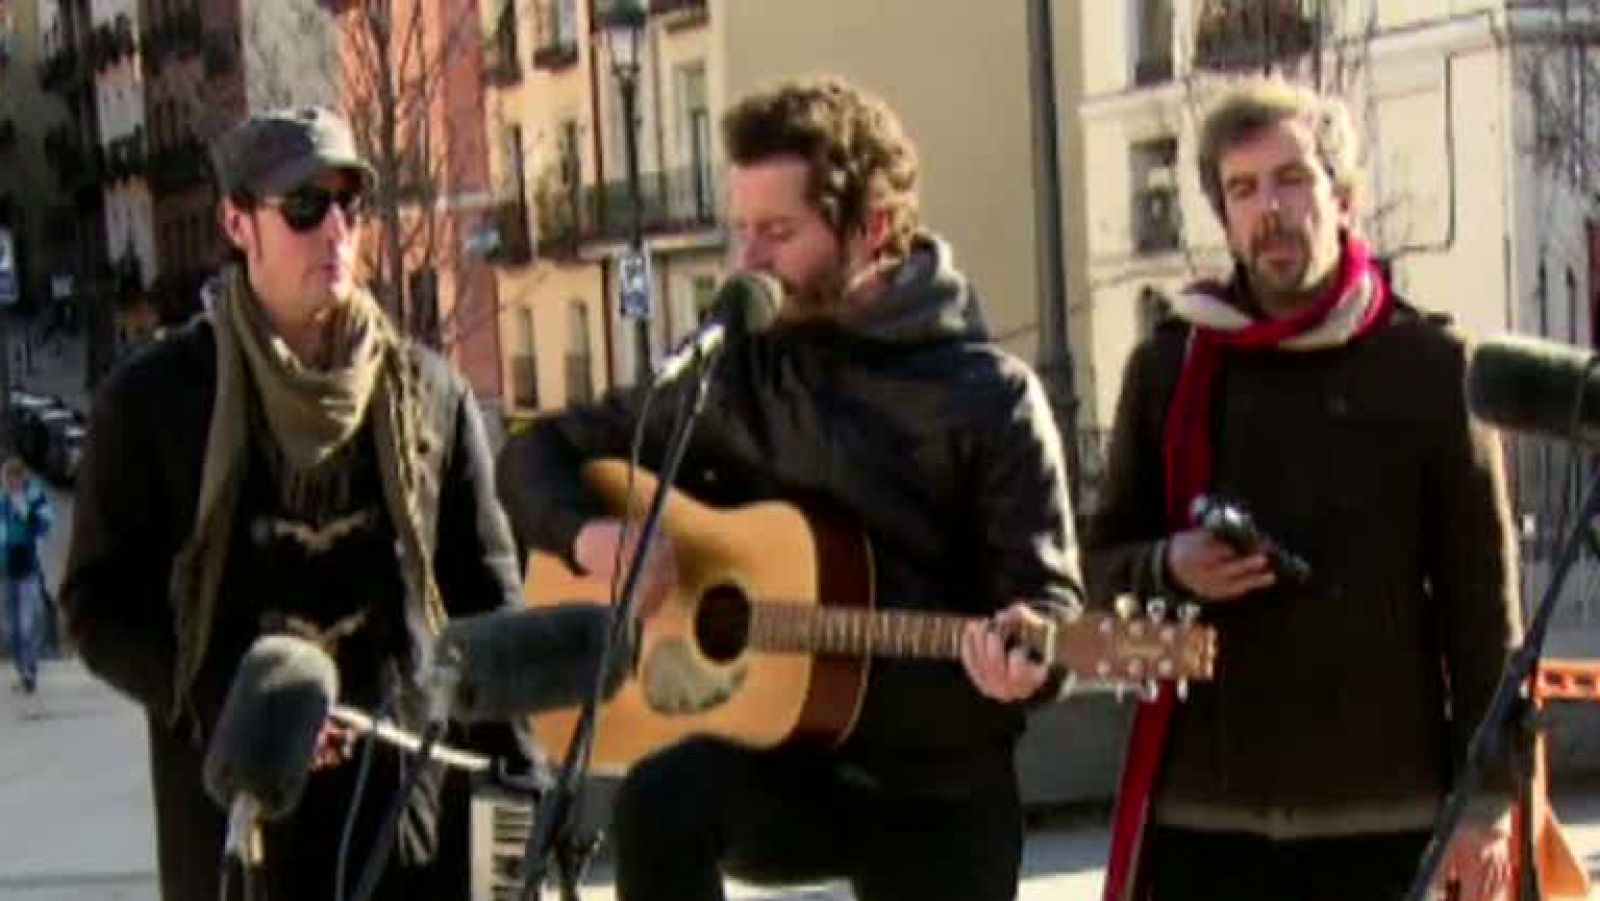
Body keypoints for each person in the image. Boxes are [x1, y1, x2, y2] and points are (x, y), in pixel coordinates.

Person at [497, 76, 1082, 901]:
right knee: (660, 800)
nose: (749, 261)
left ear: (872, 228)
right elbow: (537, 452)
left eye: (778, 232)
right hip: (784, 761)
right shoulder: (735, 373)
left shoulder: (991, 396)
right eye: (741, 231)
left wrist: (1029, 654)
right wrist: (592, 535)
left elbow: (1047, 604)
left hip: (938, 792)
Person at [61, 106, 533, 901]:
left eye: (350, 205)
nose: (336, 232)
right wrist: (229, 699)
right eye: (305, 208)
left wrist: (515, 807)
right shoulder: (154, 402)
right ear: (237, 221)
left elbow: (487, 599)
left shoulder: (429, 394)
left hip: (403, 812)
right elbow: (96, 605)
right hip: (240, 810)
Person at [1083, 79, 1523, 901]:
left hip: (1381, 814)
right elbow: (1099, 564)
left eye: (1292, 180)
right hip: (1203, 818)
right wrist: (1169, 565)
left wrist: (1488, 803)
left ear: (1344, 197)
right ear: (1223, 215)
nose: (1269, 210)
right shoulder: (1170, 369)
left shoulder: (1428, 366)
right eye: (1243, 190)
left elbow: (1482, 608)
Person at [1, 456, 52, 694]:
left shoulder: (35, 498)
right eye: (5, 479)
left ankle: (30, 672)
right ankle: (22, 671)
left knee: (27, 623)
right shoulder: (2, 502)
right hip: (6, 570)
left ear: (22, 478)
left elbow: (45, 527)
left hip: (29, 568)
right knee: (10, 627)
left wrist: (26, 512)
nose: (9, 484)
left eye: (13, 479)